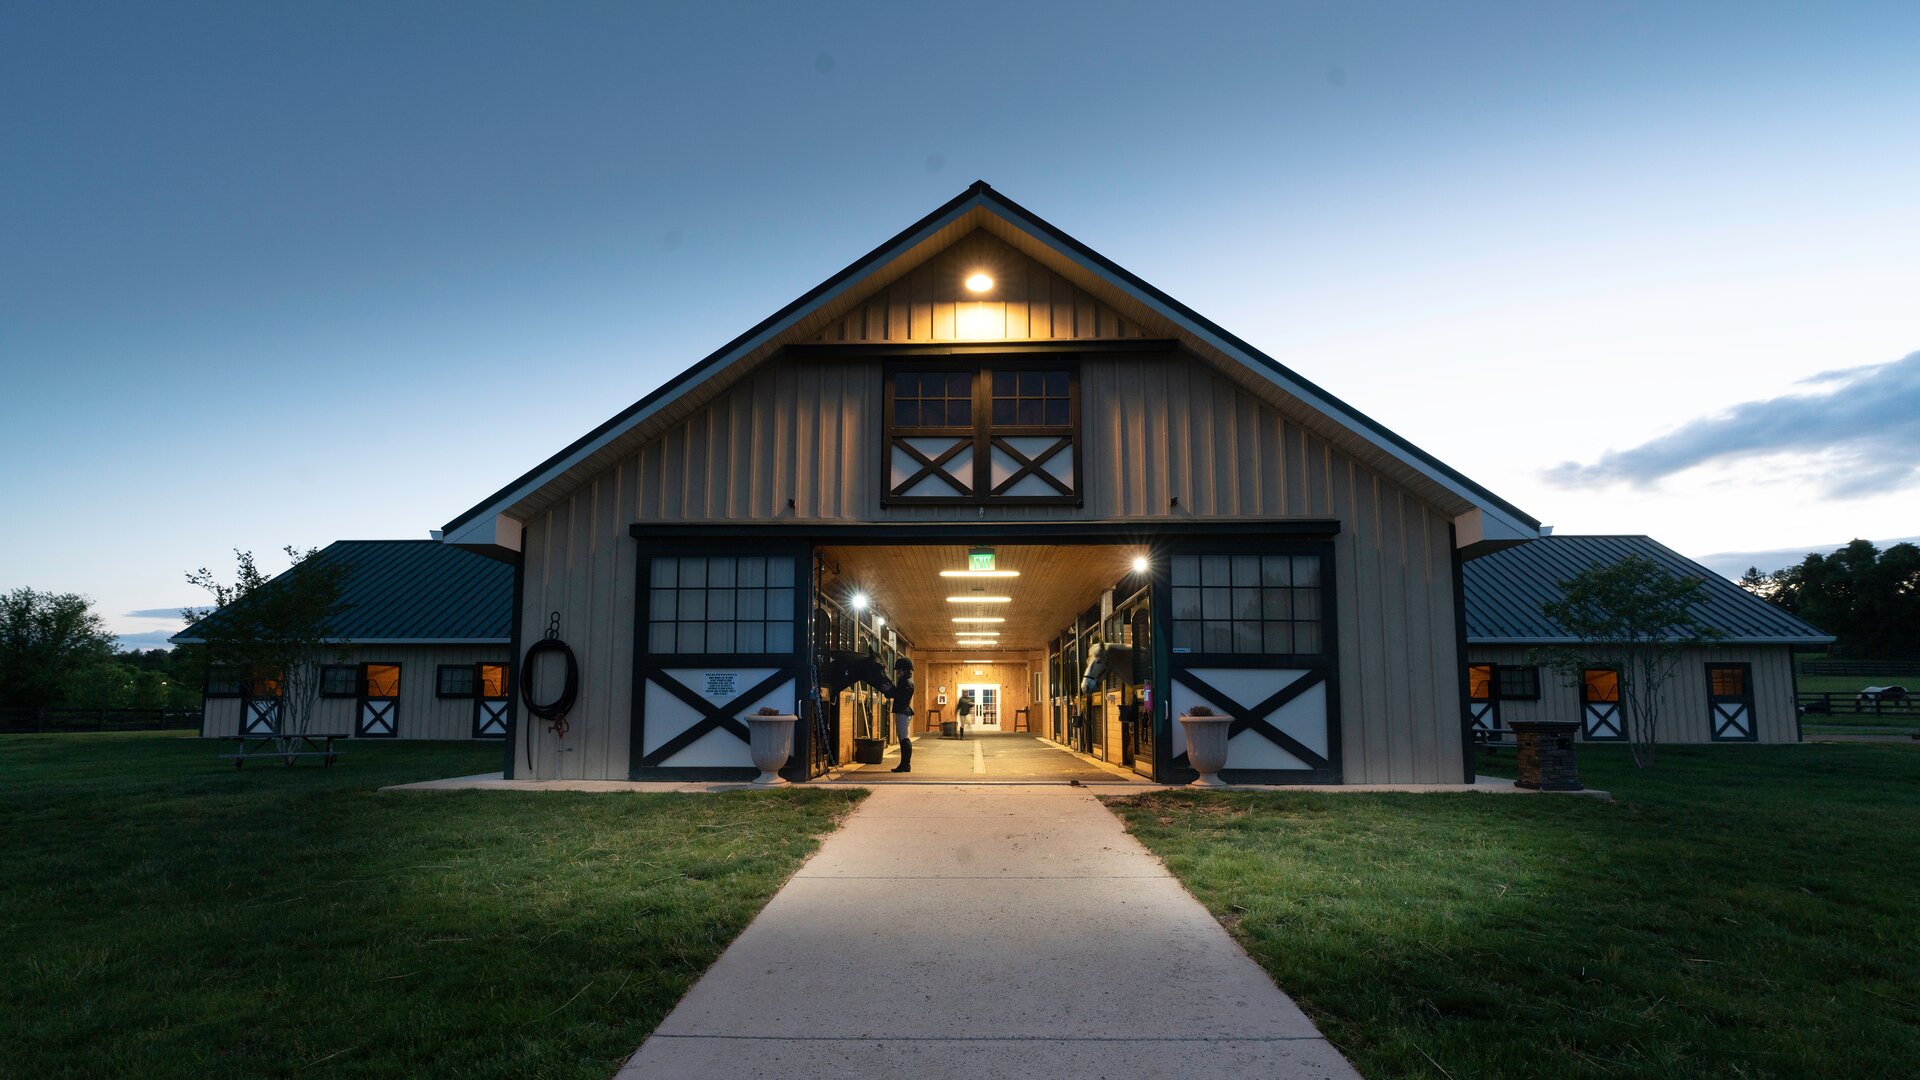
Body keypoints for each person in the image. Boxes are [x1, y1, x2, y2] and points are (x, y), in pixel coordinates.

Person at [889, 657, 915, 773]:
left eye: (900, 670)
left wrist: (890, 691)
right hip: (903, 711)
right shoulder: (907, 681)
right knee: (903, 738)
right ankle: (905, 764)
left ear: (905, 670)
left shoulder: (905, 682)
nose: (898, 672)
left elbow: (901, 697)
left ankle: (905, 764)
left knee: (904, 738)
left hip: (902, 711)